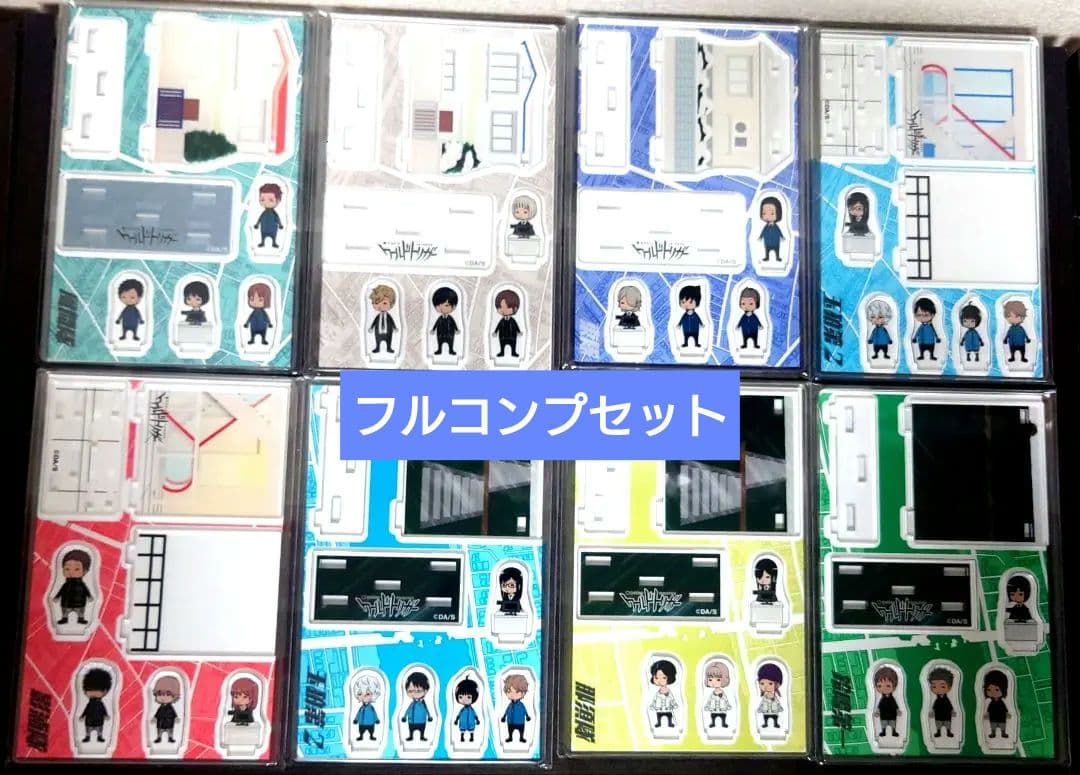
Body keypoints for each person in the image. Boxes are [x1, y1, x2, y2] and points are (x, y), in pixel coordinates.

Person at [54, 548, 93, 625]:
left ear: (85, 571)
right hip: (66, 602)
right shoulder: (66, 585)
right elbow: (61, 590)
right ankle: (64, 618)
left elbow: (86, 590)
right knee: (65, 611)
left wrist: (89, 596)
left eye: (77, 569)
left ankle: (80, 618)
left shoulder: (82, 585)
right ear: (63, 569)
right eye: (67, 569)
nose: (71, 572)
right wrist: (57, 597)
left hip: (79, 602)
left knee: (80, 611)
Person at [80, 667, 113, 743]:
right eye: (90, 690)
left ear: (105, 691)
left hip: (98, 720)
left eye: (97, 689)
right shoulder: (90, 704)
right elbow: (86, 710)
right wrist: (82, 716)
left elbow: (103, 710)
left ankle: (99, 736)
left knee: (99, 729)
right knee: (88, 729)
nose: (93, 692)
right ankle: (88, 736)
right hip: (89, 720)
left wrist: (106, 715)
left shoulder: (100, 704)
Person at [648, 659, 679, 729]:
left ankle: (670, 723)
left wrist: (674, 704)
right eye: (656, 678)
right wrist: (653, 705)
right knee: (659, 715)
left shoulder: (668, 691)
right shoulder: (658, 692)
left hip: (668, 707)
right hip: (659, 708)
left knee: (669, 715)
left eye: (664, 678)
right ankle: (659, 723)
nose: (660, 681)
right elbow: (655, 699)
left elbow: (672, 698)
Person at [401, 672, 432, 742]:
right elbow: (408, 710)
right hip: (412, 721)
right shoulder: (412, 704)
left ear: (425, 690)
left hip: (422, 721)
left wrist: (429, 717)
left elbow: (427, 710)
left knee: (422, 730)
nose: (414, 693)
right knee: (411, 730)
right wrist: (404, 717)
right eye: (410, 691)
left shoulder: (423, 704)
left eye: (418, 691)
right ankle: (411, 736)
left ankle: (422, 736)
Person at [926, 666, 956, 739]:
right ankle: (938, 732)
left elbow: (950, 706)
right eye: (934, 686)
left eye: (942, 686)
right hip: (938, 715)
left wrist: (952, 711)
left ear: (949, 687)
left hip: (947, 715)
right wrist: (932, 712)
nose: (938, 690)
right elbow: (934, 706)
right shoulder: (937, 700)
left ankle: (948, 732)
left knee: (947, 724)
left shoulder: (947, 700)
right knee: (938, 724)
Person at [872, 666, 901, 738]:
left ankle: (893, 731)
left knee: (893, 724)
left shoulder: (892, 699)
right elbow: (879, 706)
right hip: (883, 715)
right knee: (883, 724)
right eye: (879, 686)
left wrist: (898, 711)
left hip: (892, 714)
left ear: (894, 687)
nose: (884, 689)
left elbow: (895, 705)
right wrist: (877, 712)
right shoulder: (882, 699)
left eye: (888, 686)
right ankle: (883, 731)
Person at [368, 284, 398, 354]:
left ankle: (389, 348)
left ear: (391, 303)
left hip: (388, 331)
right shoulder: (378, 316)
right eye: (376, 303)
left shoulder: (389, 316)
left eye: (384, 303)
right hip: (378, 331)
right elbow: (374, 322)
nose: (380, 306)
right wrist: (371, 328)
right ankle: (377, 347)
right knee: (378, 339)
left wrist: (394, 327)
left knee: (389, 340)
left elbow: (392, 321)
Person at [501, 673, 531, 743]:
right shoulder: (510, 705)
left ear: (523, 693)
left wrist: (527, 716)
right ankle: (510, 737)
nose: (512, 694)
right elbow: (506, 711)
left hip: (520, 721)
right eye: (509, 691)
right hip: (510, 721)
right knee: (510, 730)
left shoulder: (521, 705)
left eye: (517, 691)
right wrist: (504, 717)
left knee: (521, 730)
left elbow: (525, 710)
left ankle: (521, 737)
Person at [493, 289, 523, 358]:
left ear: (515, 309)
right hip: (503, 336)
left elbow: (516, 326)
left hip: (512, 336)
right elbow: (498, 326)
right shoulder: (501, 321)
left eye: (507, 307)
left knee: (513, 345)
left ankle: (513, 352)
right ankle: (502, 352)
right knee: (502, 345)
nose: (503, 310)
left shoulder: (512, 320)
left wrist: (518, 332)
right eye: (500, 307)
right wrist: (495, 332)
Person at [253, 182, 283, 248]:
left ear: (278, 200)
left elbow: (277, 218)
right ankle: (262, 242)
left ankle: (274, 242)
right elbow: (260, 218)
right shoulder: (264, 212)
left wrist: (280, 224)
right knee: (263, 235)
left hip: (272, 228)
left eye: (271, 200)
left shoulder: (274, 213)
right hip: (264, 228)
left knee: (273, 235)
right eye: (262, 199)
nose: (266, 203)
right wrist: (257, 224)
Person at [151, 675, 181, 744]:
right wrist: (155, 718)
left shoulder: (170, 707)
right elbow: (158, 713)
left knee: (170, 729)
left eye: (167, 694)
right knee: (159, 729)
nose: (163, 697)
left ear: (174, 696)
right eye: (160, 694)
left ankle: (170, 738)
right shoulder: (161, 707)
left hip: (169, 721)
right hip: (161, 721)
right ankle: (159, 738)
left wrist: (176, 717)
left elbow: (173, 712)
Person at [431, 287, 460, 356]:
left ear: (454, 306)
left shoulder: (450, 318)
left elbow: (454, 324)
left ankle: (451, 350)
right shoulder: (440, 318)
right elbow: (436, 324)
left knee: (450, 342)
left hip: (449, 334)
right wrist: (433, 329)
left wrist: (456, 329)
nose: (441, 308)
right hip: (440, 334)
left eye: (446, 305)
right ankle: (439, 350)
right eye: (438, 305)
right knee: (440, 342)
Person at [703, 660, 732, 730]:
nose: (714, 682)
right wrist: (707, 705)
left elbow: (725, 699)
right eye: (710, 679)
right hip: (714, 708)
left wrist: (728, 705)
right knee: (713, 715)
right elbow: (709, 700)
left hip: (722, 707)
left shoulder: (723, 693)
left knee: (723, 715)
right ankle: (713, 723)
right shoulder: (712, 694)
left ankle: (723, 723)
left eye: (718, 679)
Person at [982, 670, 1011, 739]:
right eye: (989, 689)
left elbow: (1004, 708)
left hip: (1001, 716)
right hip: (993, 716)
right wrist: (987, 714)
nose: (993, 692)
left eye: (997, 690)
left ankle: (1003, 733)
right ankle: (993, 733)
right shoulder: (991, 703)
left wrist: (1007, 713)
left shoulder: (1001, 702)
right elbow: (989, 709)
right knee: (993, 725)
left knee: (1002, 725)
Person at [352, 674, 381, 741]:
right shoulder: (361, 708)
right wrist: (356, 719)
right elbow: (358, 714)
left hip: (370, 722)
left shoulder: (371, 707)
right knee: (361, 730)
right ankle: (361, 736)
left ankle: (371, 736)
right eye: (360, 694)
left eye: (367, 694)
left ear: (374, 695)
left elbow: (374, 714)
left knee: (371, 730)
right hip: (362, 722)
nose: (364, 696)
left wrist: (376, 719)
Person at [453, 676, 480, 743]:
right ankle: (462, 737)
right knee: (462, 728)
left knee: (471, 729)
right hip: (463, 721)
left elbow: (475, 715)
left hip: (471, 721)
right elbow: (459, 714)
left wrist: (477, 720)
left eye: (468, 697)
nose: (464, 700)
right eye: (461, 697)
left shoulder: (472, 709)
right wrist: (456, 720)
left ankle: (471, 737)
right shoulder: (462, 710)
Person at [756, 663, 784, 729]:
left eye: (770, 683)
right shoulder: (764, 696)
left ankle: (775, 723)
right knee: (766, 716)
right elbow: (762, 702)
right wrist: (760, 708)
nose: (766, 686)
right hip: (766, 709)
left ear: (777, 684)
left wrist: (773, 699)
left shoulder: (774, 696)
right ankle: (766, 723)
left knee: (774, 716)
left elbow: (776, 701)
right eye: (762, 683)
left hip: (773, 708)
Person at [758, 196, 785, 262]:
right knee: (767, 250)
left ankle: (777, 257)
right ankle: (767, 257)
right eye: (764, 213)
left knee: (777, 250)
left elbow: (779, 231)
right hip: (767, 242)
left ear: (778, 213)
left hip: (776, 241)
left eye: (772, 213)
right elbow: (763, 232)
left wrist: (782, 237)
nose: (767, 216)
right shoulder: (766, 227)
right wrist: (760, 237)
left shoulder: (776, 226)